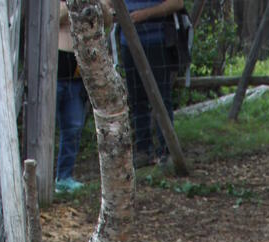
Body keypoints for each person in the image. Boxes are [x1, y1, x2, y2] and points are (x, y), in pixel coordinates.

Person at [55, 1, 112, 194]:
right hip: (51, 74)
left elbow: (107, 22)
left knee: (74, 126)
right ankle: (38, 178)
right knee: (43, 129)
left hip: (76, 74)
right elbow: (53, 18)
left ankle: (64, 177)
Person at [120, 0, 185, 168]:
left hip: (157, 40)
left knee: (161, 98)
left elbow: (177, 3)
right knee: (136, 99)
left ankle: (167, 150)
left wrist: (145, 14)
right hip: (127, 41)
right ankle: (143, 150)